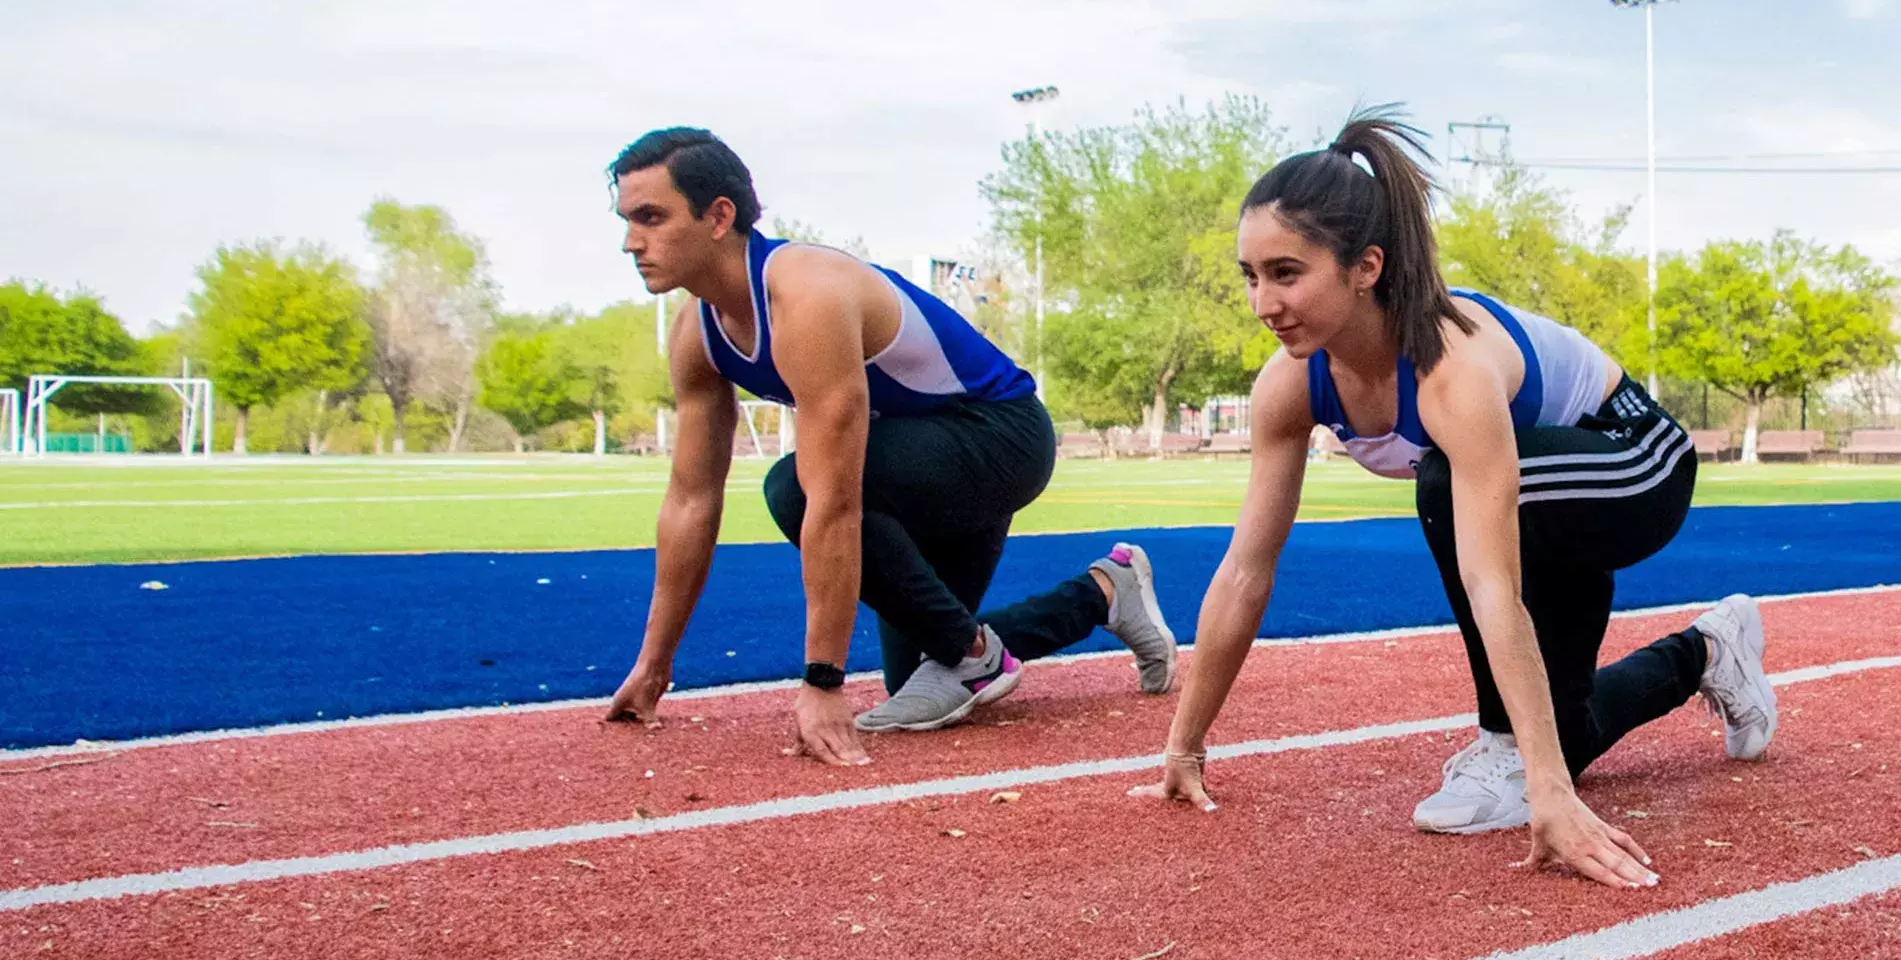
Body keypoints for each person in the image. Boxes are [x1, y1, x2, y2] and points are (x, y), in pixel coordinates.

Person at [1131, 107, 1778, 890]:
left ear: (1366, 266)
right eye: (1252, 275)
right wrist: (1184, 747)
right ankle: (1712, 650)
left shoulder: (1450, 369)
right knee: (1563, 734)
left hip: (1636, 466)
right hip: (1545, 509)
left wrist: (1546, 793)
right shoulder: (1288, 385)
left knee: (1445, 492)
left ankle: (1505, 746)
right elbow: (1245, 572)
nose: (1263, 302)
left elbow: (1490, 582)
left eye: (1287, 273)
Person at [600, 127, 1178, 765]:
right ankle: (1102, 591)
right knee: (928, 677)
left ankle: (976, 654)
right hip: (915, 468)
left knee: (792, 486)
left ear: (719, 216)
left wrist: (823, 681)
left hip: (998, 437)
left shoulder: (807, 293)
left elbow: (835, 496)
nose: (631, 241)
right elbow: (690, 501)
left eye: (650, 218)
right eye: (627, 220)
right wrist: (654, 667)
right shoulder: (696, 334)